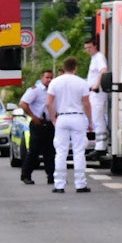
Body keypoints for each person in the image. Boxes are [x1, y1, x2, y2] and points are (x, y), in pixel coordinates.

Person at [46, 57, 92, 193]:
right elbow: (87, 104)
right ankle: (80, 184)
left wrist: (54, 117)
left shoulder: (55, 82)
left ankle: (59, 184)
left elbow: (48, 103)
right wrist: (89, 121)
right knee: (79, 151)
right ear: (75, 68)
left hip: (62, 117)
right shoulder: (82, 82)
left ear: (63, 67)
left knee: (60, 152)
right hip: (77, 117)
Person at [19, 69, 55, 185]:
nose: (49, 80)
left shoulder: (53, 90)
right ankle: (26, 175)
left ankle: (51, 176)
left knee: (50, 152)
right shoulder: (36, 90)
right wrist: (33, 116)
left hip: (49, 124)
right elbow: (23, 103)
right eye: (47, 77)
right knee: (34, 151)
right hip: (38, 123)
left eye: (51, 78)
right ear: (41, 78)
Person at [84, 38, 110, 154]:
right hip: (93, 92)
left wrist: (97, 85)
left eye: (89, 47)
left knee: (98, 118)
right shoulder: (93, 58)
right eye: (86, 48)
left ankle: (101, 146)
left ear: (95, 46)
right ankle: (99, 144)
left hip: (97, 92)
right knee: (96, 118)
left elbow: (103, 70)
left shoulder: (99, 57)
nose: (87, 50)